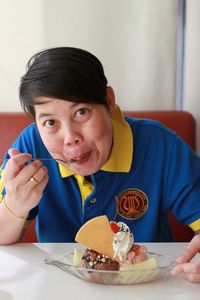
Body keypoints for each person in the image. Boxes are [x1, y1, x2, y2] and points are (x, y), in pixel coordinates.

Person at [0, 47, 199, 282]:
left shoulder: (161, 145)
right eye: (50, 122)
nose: (69, 137)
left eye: (81, 112)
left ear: (109, 101)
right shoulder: (30, 147)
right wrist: (13, 206)